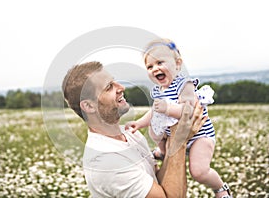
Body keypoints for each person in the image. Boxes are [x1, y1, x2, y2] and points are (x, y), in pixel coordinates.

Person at [62, 61, 208, 198]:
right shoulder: (105, 161)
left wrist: (174, 137)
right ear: (89, 106)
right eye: (109, 87)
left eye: (114, 81)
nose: (121, 87)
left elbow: (159, 182)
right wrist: (179, 141)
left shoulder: (130, 133)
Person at [125, 39, 232, 198]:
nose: (155, 68)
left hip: (199, 136)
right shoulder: (158, 90)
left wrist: (168, 108)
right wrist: (139, 123)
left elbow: (189, 110)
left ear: (177, 64)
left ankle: (221, 189)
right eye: (150, 66)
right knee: (154, 128)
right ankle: (162, 151)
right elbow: (154, 111)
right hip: (176, 137)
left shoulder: (183, 84)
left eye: (160, 62)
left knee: (199, 172)